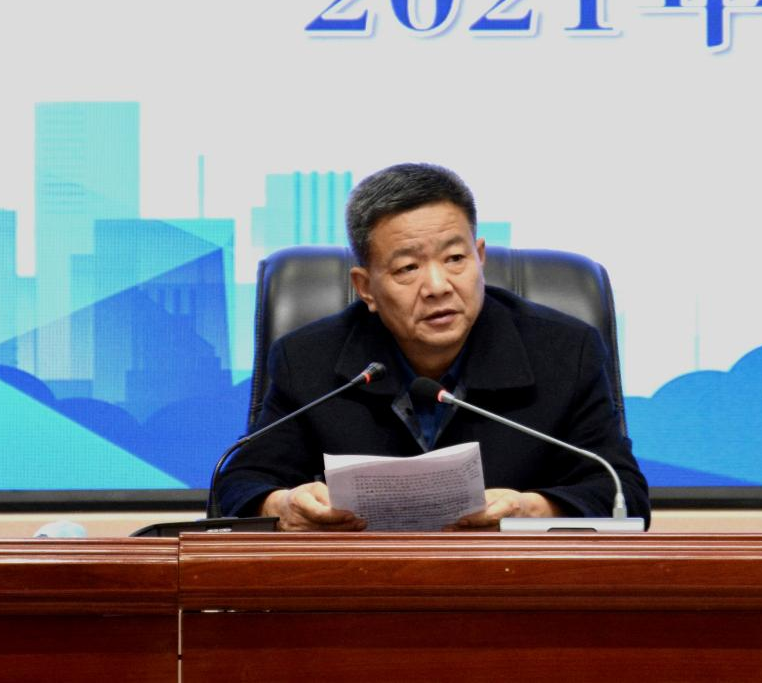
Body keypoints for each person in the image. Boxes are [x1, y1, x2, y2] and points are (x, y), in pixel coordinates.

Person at [217, 163, 650, 531]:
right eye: (408, 267)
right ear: (365, 287)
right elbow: (237, 486)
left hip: (508, 585)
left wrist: (531, 509)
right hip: (361, 586)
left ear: (480, 258)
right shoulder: (307, 360)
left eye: (456, 259)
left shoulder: (564, 351)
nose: (438, 286)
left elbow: (623, 494)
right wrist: (283, 506)